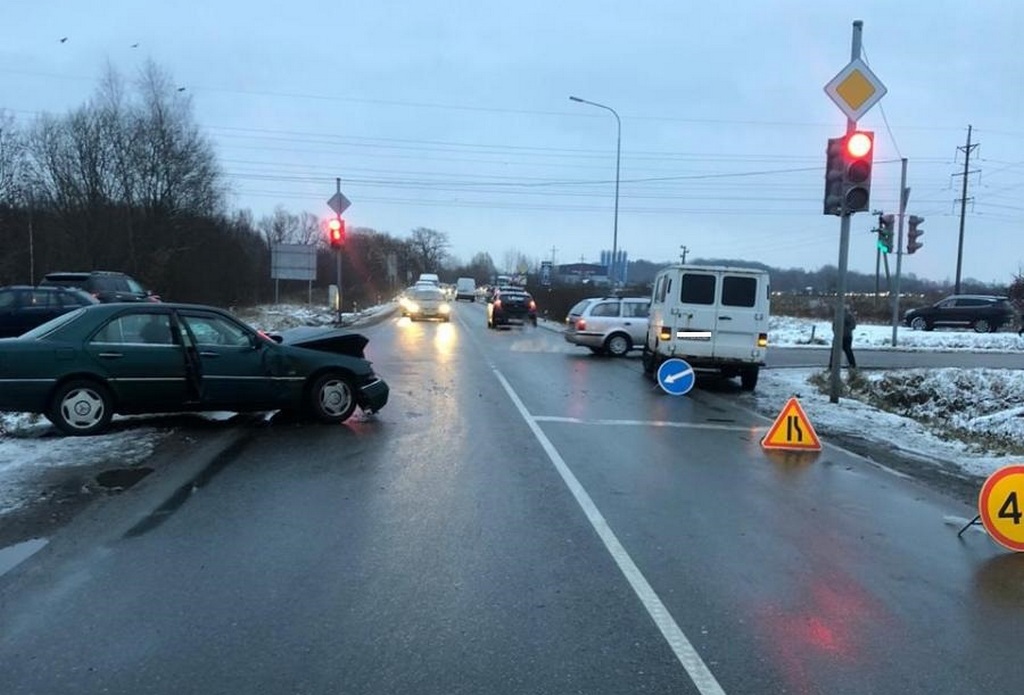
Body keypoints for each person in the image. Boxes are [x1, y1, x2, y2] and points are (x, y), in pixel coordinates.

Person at [829, 304, 857, 370]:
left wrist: (839, 332)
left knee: (837, 352)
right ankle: (853, 366)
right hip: (845, 336)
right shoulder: (844, 316)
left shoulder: (847, 316)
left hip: (844, 337)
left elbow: (853, 326)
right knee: (847, 351)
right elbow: (853, 326)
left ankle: (831, 366)